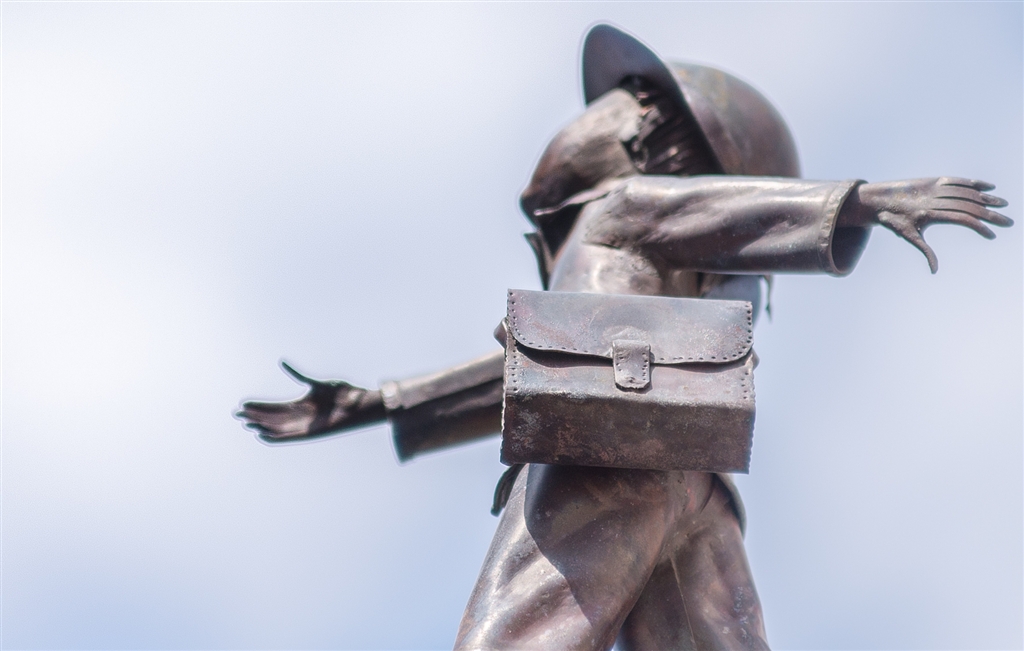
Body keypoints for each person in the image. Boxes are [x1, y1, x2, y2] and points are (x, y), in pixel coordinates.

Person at [237, 25, 1010, 650]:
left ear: (661, 135)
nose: (618, 108)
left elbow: (722, 216)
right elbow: (545, 362)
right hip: (697, 481)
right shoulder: (627, 250)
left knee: (519, 635)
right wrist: (380, 403)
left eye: (640, 100)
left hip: (605, 455)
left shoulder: (621, 207)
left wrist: (859, 202)